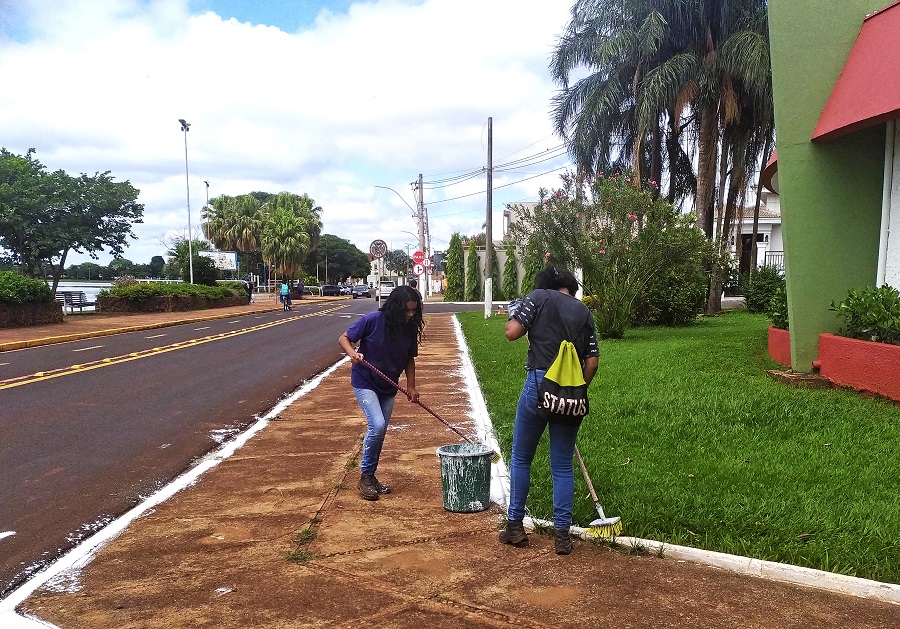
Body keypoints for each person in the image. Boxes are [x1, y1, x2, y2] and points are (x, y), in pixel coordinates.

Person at [499, 266, 599, 555]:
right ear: (570, 287)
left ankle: (515, 527)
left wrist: (514, 312)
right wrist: (575, 389)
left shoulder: (538, 297)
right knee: (562, 465)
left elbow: (511, 333)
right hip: (571, 391)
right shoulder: (583, 312)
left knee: (521, 457)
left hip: (538, 385)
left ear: (546, 284)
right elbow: (592, 362)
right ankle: (562, 536)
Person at [338, 286, 424, 501]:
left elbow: (408, 360)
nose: (411, 315)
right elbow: (344, 338)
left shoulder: (408, 329)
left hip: (388, 386)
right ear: (395, 307)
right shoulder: (373, 319)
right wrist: (353, 354)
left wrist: (411, 387)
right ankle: (365, 477)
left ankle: (371, 476)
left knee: (381, 430)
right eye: (407, 310)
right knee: (376, 425)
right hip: (365, 381)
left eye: (414, 311)